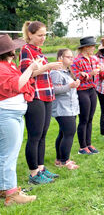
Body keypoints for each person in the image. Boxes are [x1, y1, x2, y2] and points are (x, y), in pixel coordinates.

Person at [20, 21, 63, 184]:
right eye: (40, 35)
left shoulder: (39, 51)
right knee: (34, 136)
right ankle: (33, 175)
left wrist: (50, 67)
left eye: (45, 35)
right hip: (35, 96)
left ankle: (41, 168)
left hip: (46, 94)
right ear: (30, 35)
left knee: (43, 135)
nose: (43, 38)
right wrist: (48, 66)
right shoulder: (26, 50)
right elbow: (26, 74)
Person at [0, 34, 40, 206]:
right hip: (7, 114)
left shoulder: (8, 65)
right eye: (13, 49)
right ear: (9, 51)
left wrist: (34, 69)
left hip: (13, 114)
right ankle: (11, 194)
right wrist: (31, 68)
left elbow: (23, 82)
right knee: (8, 154)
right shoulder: (1, 68)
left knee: (10, 152)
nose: (15, 51)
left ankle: (6, 188)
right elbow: (17, 84)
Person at [71, 36, 102, 155]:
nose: (94, 49)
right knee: (83, 119)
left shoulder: (93, 59)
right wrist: (90, 74)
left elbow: (99, 72)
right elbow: (75, 76)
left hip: (92, 90)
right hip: (82, 90)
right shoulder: (76, 60)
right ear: (86, 48)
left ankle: (89, 144)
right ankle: (82, 147)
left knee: (90, 119)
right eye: (92, 46)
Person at [50, 49, 80, 170]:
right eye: (68, 57)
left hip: (71, 108)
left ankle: (59, 159)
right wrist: (70, 86)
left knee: (63, 133)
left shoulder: (67, 72)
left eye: (72, 57)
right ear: (60, 58)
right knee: (69, 133)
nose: (71, 59)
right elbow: (54, 90)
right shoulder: (56, 72)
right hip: (62, 109)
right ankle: (65, 161)